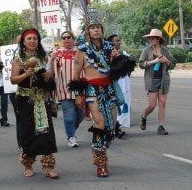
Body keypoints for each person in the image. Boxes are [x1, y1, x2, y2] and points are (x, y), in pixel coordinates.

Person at [70, 19, 130, 177]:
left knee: (110, 128)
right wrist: (77, 95)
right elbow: (76, 74)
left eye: (98, 28)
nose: (96, 30)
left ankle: (99, 146)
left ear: (102, 30)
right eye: (93, 28)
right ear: (88, 32)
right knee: (100, 123)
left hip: (109, 89)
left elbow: (119, 71)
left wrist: (118, 59)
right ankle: (101, 163)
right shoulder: (82, 50)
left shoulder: (111, 47)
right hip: (91, 90)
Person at [10, 28, 59, 179]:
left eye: (35, 38)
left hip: (42, 99)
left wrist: (50, 74)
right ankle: (28, 164)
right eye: (29, 39)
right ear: (23, 42)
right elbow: (13, 80)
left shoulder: (44, 57)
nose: (32, 41)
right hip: (25, 100)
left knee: (46, 132)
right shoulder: (19, 58)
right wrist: (26, 74)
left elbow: (50, 76)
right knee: (28, 131)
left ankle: (48, 166)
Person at [138, 29, 176, 135]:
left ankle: (161, 126)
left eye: (152, 38)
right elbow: (141, 64)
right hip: (151, 80)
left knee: (162, 103)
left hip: (163, 80)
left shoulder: (165, 51)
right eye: (149, 38)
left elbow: (172, 64)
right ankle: (144, 115)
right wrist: (154, 61)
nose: (150, 40)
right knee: (152, 105)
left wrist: (166, 61)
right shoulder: (146, 51)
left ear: (158, 39)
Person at [51, 31, 84, 148]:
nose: (66, 39)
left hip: (80, 88)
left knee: (81, 115)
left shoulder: (81, 51)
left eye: (68, 37)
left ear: (73, 39)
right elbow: (52, 71)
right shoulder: (57, 53)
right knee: (69, 114)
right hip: (64, 88)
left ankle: (70, 129)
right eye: (63, 38)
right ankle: (71, 137)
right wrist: (51, 60)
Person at [107, 34, 132, 138]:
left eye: (119, 40)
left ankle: (118, 128)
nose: (119, 42)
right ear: (111, 43)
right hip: (114, 84)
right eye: (117, 41)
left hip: (125, 84)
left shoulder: (124, 53)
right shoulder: (107, 54)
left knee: (124, 105)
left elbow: (129, 69)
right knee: (114, 106)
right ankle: (115, 129)